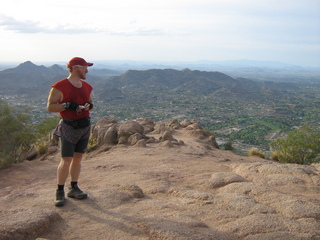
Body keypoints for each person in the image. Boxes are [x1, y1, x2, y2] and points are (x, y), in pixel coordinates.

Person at [47, 57, 94, 207]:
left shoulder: (86, 86)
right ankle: (59, 190)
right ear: (75, 68)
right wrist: (67, 105)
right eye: (84, 67)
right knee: (66, 160)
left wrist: (88, 106)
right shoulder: (59, 87)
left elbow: (91, 104)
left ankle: (73, 187)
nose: (87, 70)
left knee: (78, 158)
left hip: (84, 125)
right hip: (68, 126)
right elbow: (50, 107)